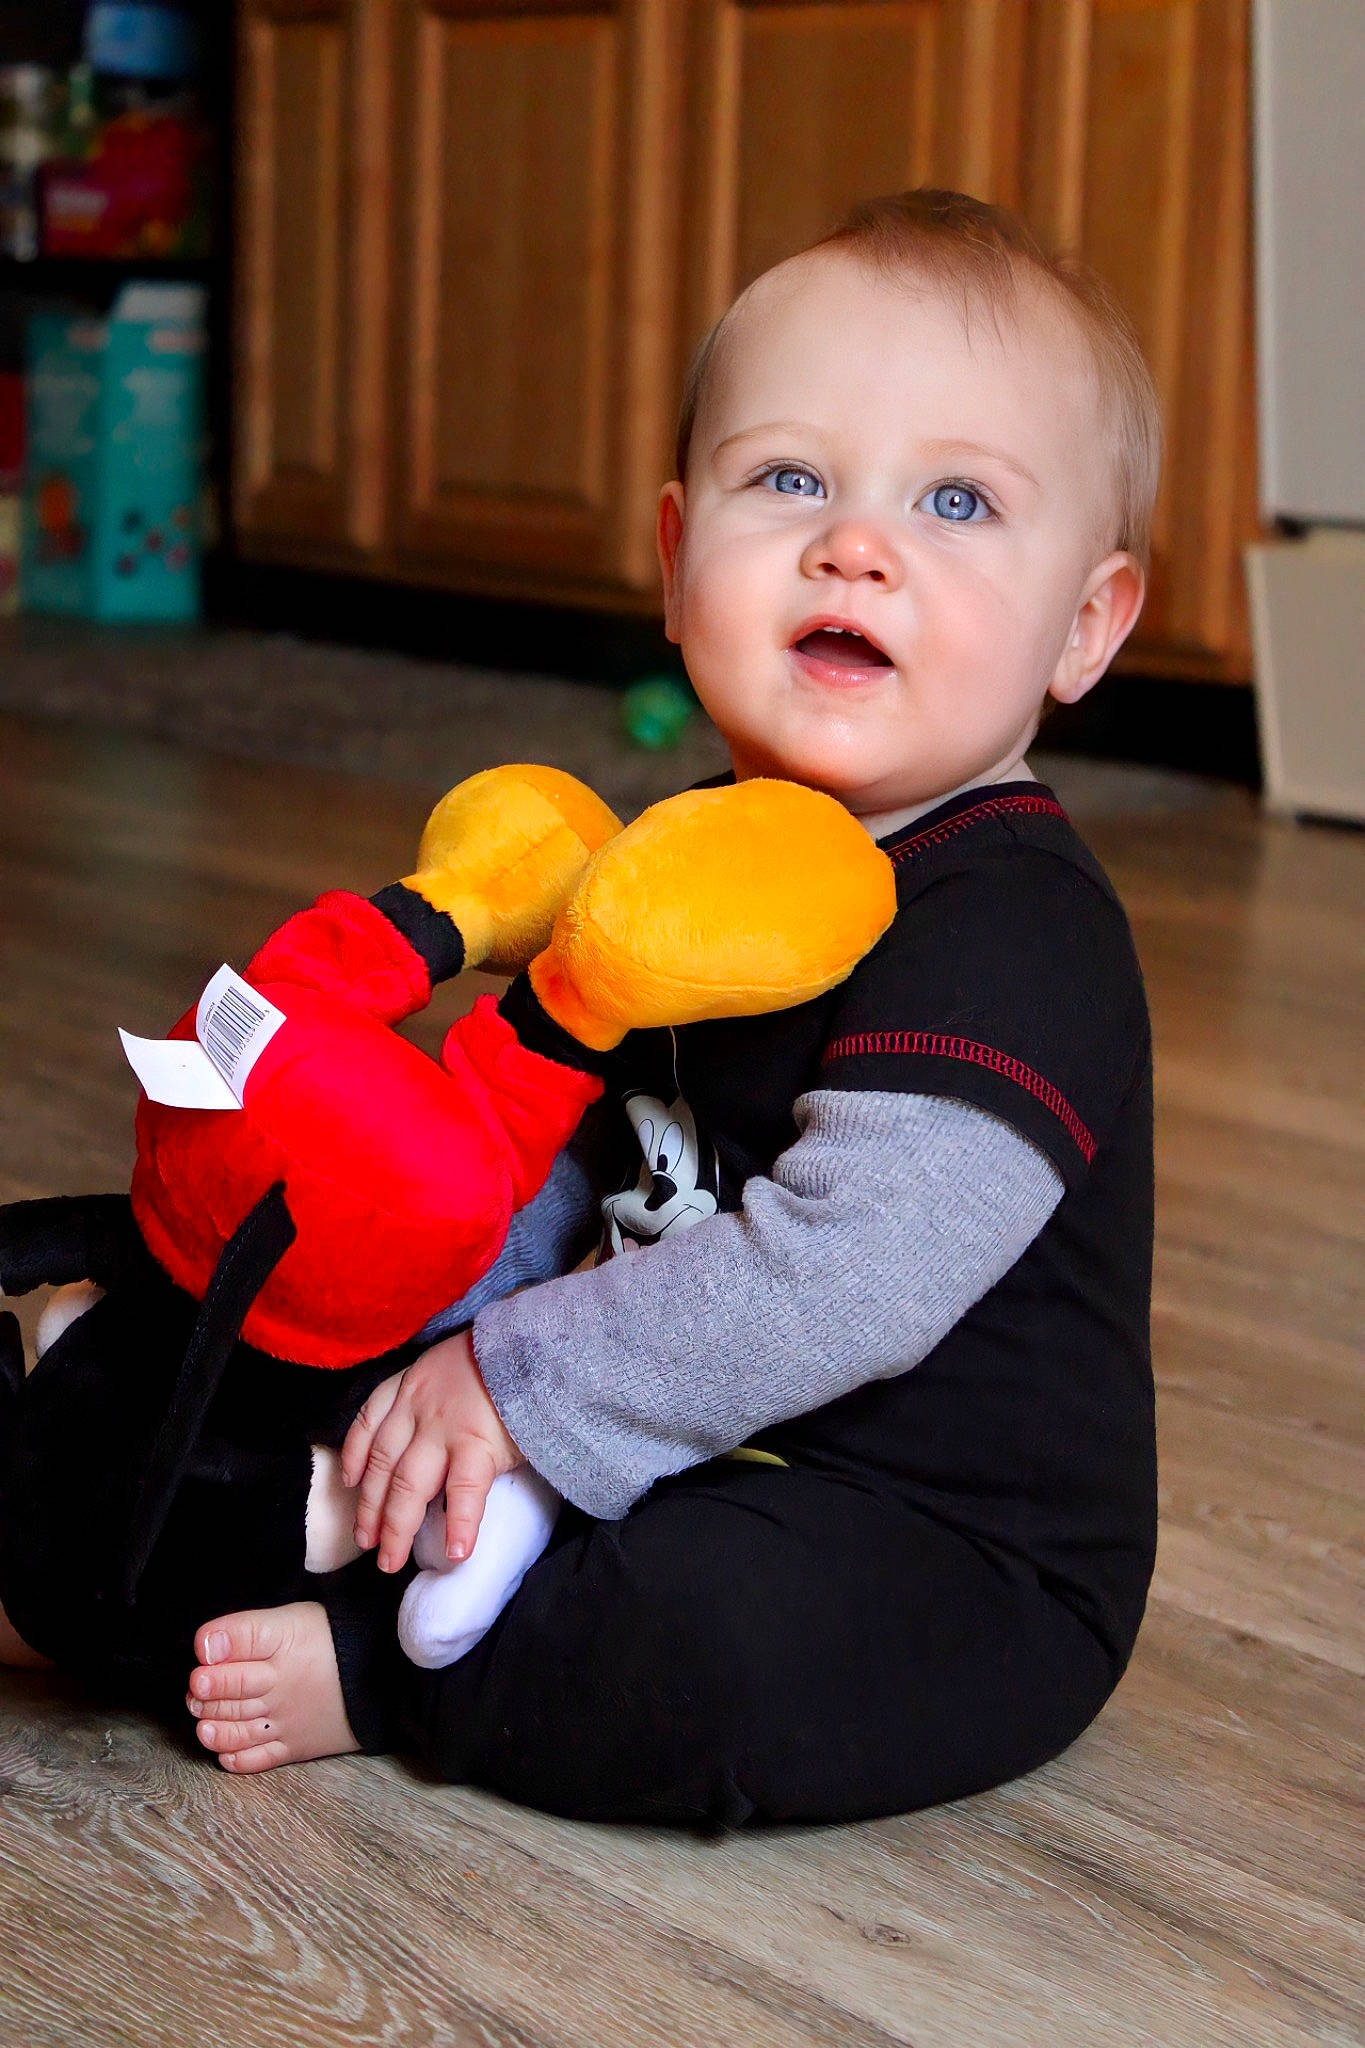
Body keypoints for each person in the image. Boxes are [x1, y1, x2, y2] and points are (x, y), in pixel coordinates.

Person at [119, 187, 1164, 1827]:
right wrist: (402, 1288)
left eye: (955, 501)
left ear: (1084, 628)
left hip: (927, 1530)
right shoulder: (685, 873)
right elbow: (558, 1158)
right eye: (790, 480)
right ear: (680, 565)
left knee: (719, 1644)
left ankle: (402, 1676)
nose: (854, 543)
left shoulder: (1012, 926)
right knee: (283, 1355)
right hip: (651, 1424)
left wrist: (509, 1383)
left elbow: (852, 1276)